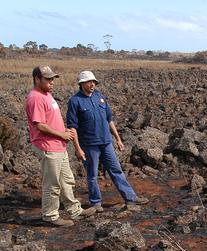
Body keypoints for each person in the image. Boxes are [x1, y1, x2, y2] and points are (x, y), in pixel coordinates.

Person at [66, 70, 148, 212]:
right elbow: (72, 127)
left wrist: (118, 139)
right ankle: (96, 203)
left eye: (94, 82)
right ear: (81, 84)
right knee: (92, 175)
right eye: (89, 82)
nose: (92, 84)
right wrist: (78, 149)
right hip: (89, 145)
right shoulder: (75, 101)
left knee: (116, 170)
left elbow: (109, 120)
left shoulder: (100, 97)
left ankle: (131, 198)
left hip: (106, 142)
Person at [25, 66, 96, 226]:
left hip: (58, 145)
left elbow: (49, 121)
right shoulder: (36, 98)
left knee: (66, 180)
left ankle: (75, 210)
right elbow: (40, 125)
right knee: (52, 183)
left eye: (52, 79)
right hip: (48, 146)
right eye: (48, 79)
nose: (52, 82)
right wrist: (62, 134)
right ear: (37, 79)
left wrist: (62, 131)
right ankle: (50, 216)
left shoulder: (46, 94)